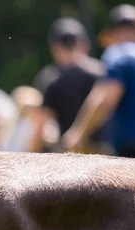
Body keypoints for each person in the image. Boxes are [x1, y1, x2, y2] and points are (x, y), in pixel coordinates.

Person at [62, 5, 135, 158]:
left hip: (131, 153)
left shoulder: (119, 53)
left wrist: (78, 133)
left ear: (115, 31)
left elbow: (106, 98)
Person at [29, 18, 106, 153]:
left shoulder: (49, 77)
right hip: (105, 152)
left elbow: (40, 125)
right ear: (85, 44)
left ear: (54, 48)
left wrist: (29, 154)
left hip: (68, 155)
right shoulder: (102, 72)